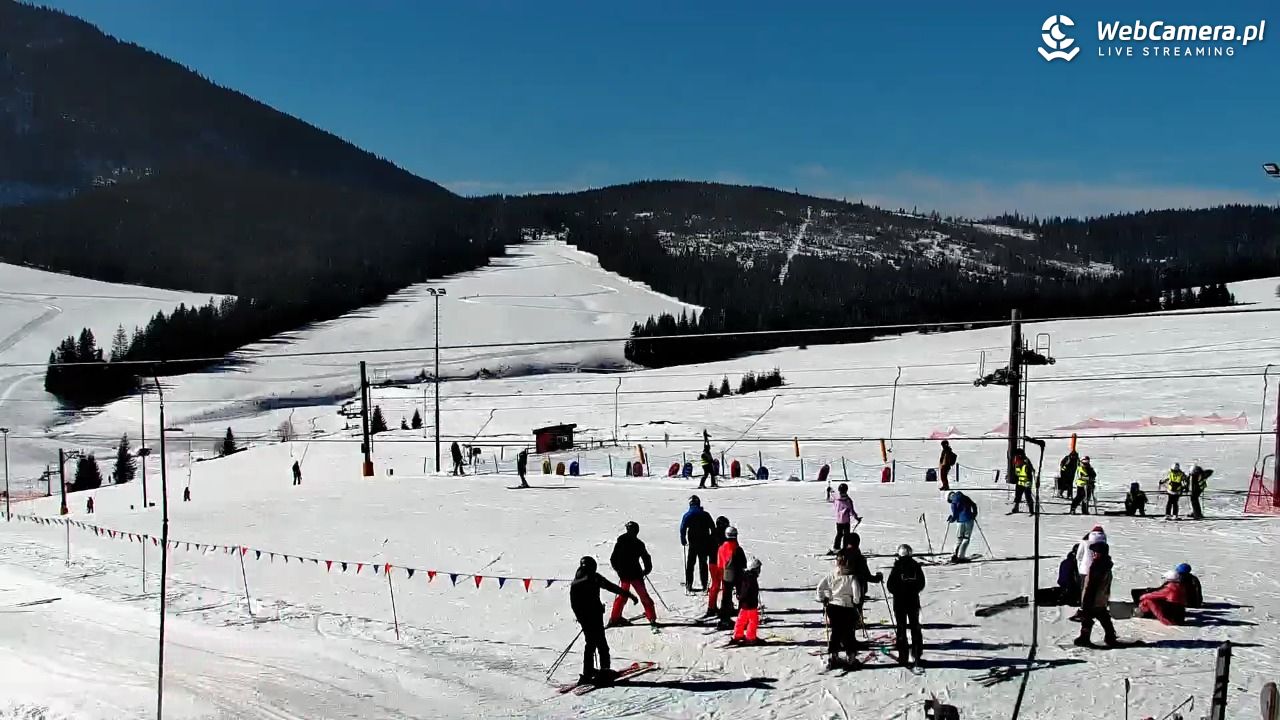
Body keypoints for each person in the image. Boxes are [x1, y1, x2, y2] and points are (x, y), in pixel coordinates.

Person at [570, 556, 638, 686]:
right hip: (593, 617)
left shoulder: (577, 581)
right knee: (601, 645)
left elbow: (574, 604)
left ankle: (588, 672)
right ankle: (604, 672)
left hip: (586, 617)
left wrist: (582, 619)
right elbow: (611, 587)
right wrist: (628, 594)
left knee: (590, 644)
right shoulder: (593, 577)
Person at [817, 552, 863, 670]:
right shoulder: (852, 577)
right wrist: (856, 602)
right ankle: (851, 658)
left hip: (833, 607)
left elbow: (820, 587)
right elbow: (856, 593)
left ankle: (834, 656)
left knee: (836, 632)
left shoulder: (832, 575)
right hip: (847, 607)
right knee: (848, 633)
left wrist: (823, 598)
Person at [608, 521, 657, 626]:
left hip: (624, 575)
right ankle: (651, 617)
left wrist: (618, 569)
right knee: (643, 596)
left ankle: (615, 618)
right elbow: (646, 558)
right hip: (636, 574)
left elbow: (613, 558)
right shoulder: (639, 543)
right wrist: (646, 570)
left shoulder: (621, 541)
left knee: (622, 596)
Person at [886, 543, 926, 667]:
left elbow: (890, 585)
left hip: (899, 602)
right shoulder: (915, 565)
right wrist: (913, 591)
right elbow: (921, 583)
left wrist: (898, 592)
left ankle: (903, 655)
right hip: (913, 601)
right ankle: (917, 653)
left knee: (901, 627)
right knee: (915, 627)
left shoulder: (897, 566)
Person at [1075, 541, 1120, 647]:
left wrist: (1086, 601)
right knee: (1103, 616)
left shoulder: (1097, 566)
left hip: (1094, 598)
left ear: (1102, 553)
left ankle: (1085, 638)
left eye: (1096, 552)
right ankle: (1110, 636)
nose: (1094, 554)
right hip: (1101, 598)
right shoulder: (1106, 564)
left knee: (1087, 618)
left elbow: (1091, 586)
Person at [680, 495, 715, 592]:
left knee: (690, 564)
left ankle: (689, 584)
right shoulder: (705, 514)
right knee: (703, 563)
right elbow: (713, 527)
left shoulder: (688, 515)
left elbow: (683, 528)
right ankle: (704, 584)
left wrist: (683, 539)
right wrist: (712, 539)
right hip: (704, 542)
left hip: (693, 543)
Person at [716, 526, 747, 629]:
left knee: (726, 597)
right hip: (738, 575)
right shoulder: (738, 549)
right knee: (741, 596)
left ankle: (725, 619)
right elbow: (744, 564)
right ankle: (743, 618)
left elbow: (720, 564)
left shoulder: (721, 548)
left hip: (726, 574)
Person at [729, 557, 763, 645]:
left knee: (741, 620)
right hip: (750, 604)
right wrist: (743, 597)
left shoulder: (747, 576)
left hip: (745, 604)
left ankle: (738, 635)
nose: (759, 571)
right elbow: (746, 591)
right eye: (758, 569)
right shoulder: (751, 579)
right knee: (753, 621)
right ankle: (750, 637)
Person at [705, 515, 731, 617]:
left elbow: (706, 550)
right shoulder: (726, 537)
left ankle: (711, 607)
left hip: (712, 563)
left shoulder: (711, 536)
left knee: (715, 586)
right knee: (725, 586)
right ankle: (726, 606)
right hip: (723, 564)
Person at [829, 483, 862, 554]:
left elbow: (832, 497)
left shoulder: (836, 499)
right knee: (846, 535)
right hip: (846, 521)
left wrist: (831, 491)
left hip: (838, 520)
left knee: (839, 534)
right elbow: (852, 511)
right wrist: (857, 518)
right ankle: (845, 548)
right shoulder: (848, 500)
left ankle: (836, 547)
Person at [946, 491, 978, 562]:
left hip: (960, 521)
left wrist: (951, 520)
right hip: (969, 520)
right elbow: (974, 505)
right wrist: (974, 514)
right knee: (966, 538)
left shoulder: (953, 503)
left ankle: (955, 555)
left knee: (959, 538)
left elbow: (955, 515)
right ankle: (961, 556)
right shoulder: (965, 497)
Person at [1011, 450, 1035, 515]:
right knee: (1018, 495)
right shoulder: (1016, 460)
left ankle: (1031, 509)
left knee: (1027, 495)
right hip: (1020, 481)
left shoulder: (1025, 460)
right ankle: (1016, 507)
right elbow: (1016, 471)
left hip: (1027, 481)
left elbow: (1031, 470)